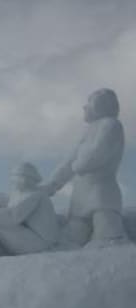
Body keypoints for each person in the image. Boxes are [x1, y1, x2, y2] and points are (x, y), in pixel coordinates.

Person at [42, 88, 126, 246]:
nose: (85, 107)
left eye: (90, 102)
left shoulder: (111, 125)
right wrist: (52, 184)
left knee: (109, 238)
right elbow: (69, 161)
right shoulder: (88, 131)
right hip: (81, 197)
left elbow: (96, 155)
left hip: (102, 194)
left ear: (101, 105)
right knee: (69, 242)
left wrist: (78, 164)